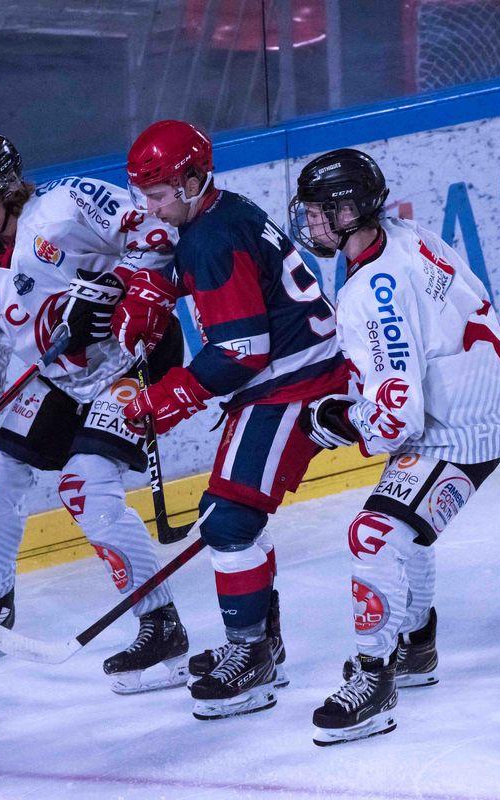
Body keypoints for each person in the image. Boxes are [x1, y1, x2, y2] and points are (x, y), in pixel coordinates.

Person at [0, 132, 191, 695]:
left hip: (132, 358)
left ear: (5, 187)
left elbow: (156, 231)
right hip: (59, 378)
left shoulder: (67, 204)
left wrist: (119, 289)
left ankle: (160, 623)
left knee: (85, 487)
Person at [115, 120, 350, 720]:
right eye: (145, 194)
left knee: (228, 520)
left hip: (294, 383)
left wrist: (163, 400)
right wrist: (153, 295)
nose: (152, 207)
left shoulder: (211, 237)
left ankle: (251, 657)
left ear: (195, 181)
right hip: (291, 376)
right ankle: (260, 643)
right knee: (233, 516)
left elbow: (243, 350)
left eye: (162, 192)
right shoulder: (223, 214)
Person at [289, 149, 500, 745]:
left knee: (373, 532)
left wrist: (342, 419)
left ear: (352, 210)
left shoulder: (373, 288)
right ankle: (414, 645)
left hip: (455, 429)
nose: (310, 224)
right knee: (402, 520)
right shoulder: (398, 233)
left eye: (320, 213)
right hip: (473, 400)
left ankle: (374, 676)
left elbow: (397, 418)